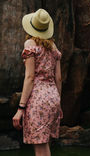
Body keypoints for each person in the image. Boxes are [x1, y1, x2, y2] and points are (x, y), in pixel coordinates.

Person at [12, 8, 62, 156]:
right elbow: (58, 78)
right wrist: (58, 104)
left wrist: (20, 108)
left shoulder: (30, 44)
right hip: (53, 97)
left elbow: (30, 77)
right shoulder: (54, 48)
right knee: (45, 145)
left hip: (38, 99)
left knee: (40, 148)